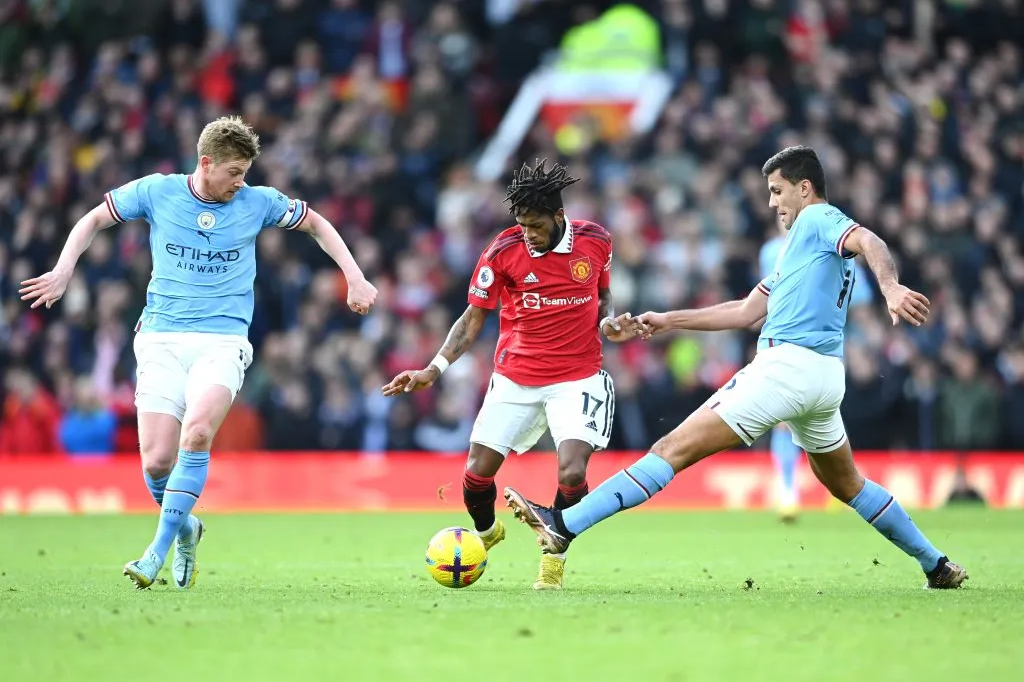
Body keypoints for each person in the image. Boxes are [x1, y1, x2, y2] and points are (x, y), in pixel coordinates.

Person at [504, 146, 969, 589]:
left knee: (672, 449)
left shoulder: (817, 219)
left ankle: (563, 524)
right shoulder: (800, 253)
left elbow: (869, 239)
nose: (772, 202)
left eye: (777, 190)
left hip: (785, 367)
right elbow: (745, 312)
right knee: (846, 483)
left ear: (805, 188)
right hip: (824, 376)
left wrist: (890, 287)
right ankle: (936, 563)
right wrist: (667, 320)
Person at [20, 115, 378, 590]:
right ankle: (186, 528)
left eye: (246, 172)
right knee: (156, 463)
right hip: (161, 338)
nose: (241, 182)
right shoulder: (157, 191)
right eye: (234, 172)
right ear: (206, 163)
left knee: (198, 431)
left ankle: (155, 552)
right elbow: (93, 219)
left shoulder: (258, 202)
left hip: (223, 340)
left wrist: (354, 276)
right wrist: (65, 269)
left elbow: (317, 224)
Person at [382, 159, 640, 590]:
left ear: (559, 217)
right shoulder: (503, 251)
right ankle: (488, 534)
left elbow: (603, 290)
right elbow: (473, 317)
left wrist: (608, 320)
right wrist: (434, 368)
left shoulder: (597, 241)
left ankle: (553, 561)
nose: (529, 234)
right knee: (476, 476)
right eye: (521, 225)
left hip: (578, 377)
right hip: (516, 377)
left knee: (572, 473)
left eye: (536, 225)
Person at [758, 233, 803, 522]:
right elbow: (764, 299)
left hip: (821, 345)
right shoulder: (771, 250)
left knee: (815, 422)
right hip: (784, 342)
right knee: (785, 421)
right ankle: (788, 490)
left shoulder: (834, 245)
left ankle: (841, 485)